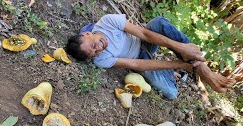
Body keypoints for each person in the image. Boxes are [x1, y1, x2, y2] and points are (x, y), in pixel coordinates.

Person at [65, 14, 236, 100]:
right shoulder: (100, 59)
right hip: (142, 60)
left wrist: (180, 48)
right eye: (94, 53)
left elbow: (145, 34)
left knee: (159, 23)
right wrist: (178, 64)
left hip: (145, 41)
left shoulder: (107, 21)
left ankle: (202, 69)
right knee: (171, 92)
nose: (98, 49)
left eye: (93, 45)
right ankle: (187, 69)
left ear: (87, 33)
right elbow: (136, 64)